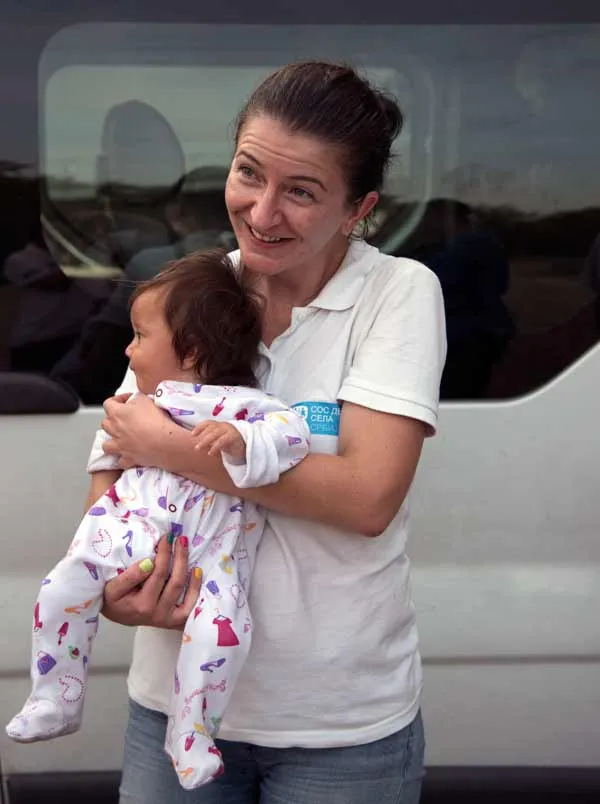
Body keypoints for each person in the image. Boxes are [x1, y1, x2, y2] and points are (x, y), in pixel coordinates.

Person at [94, 61, 447, 804]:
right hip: (174, 705)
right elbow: (116, 442)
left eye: (302, 192)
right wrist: (113, 580)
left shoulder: (397, 295)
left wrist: (168, 447)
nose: (261, 212)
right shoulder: (193, 289)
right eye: (249, 173)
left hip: (336, 730)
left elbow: (366, 497)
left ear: (359, 209)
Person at [5, 251, 309, 790]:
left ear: (190, 350)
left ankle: (190, 732)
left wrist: (243, 440)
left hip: (211, 561)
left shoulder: (245, 405)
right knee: (57, 591)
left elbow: (292, 436)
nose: (127, 349)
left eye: (140, 337)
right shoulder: (136, 402)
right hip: (121, 541)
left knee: (224, 634)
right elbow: (106, 455)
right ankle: (56, 694)